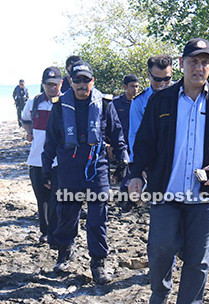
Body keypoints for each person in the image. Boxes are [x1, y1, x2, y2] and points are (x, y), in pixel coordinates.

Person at [128, 39, 209, 304]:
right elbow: (144, 143)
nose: (199, 66)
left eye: (205, 61)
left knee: (198, 259)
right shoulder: (162, 100)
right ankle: (160, 288)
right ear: (182, 63)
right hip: (165, 190)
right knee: (160, 247)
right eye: (193, 61)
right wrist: (136, 175)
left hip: (204, 194)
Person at [42, 60, 129, 285]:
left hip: (97, 168)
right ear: (70, 82)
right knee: (67, 214)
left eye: (86, 80)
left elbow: (117, 135)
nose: (82, 84)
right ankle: (64, 251)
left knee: (97, 218)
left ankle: (98, 263)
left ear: (92, 81)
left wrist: (122, 162)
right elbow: (50, 140)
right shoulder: (60, 106)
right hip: (69, 168)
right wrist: (46, 170)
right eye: (77, 80)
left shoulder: (105, 105)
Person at [21, 66, 63, 245]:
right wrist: (30, 133)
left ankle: (56, 231)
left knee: (58, 197)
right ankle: (45, 231)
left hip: (59, 160)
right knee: (42, 198)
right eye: (48, 84)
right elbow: (25, 120)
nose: (52, 88)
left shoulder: (66, 102)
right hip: (37, 158)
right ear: (43, 85)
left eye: (55, 84)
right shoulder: (34, 102)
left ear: (61, 83)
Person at [128, 55, 173, 164]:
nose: (163, 84)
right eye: (157, 79)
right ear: (149, 75)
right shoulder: (139, 102)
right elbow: (135, 135)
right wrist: (138, 165)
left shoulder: (182, 94)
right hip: (154, 160)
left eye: (167, 79)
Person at [112, 74, 140, 197]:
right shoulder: (115, 103)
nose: (135, 89)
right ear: (125, 87)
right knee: (124, 166)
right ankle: (125, 193)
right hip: (121, 141)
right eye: (132, 86)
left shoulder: (140, 102)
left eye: (137, 86)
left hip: (136, 140)